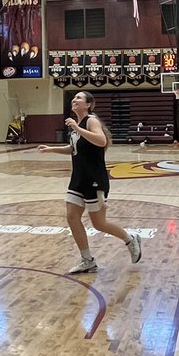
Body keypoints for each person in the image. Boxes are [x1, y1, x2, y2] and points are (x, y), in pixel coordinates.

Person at [38, 90, 142, 274]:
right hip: (78, 177)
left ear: (88, 104)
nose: (74, 100)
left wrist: (77, 129)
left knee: (99, 223)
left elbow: (101, 141)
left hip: (95, 177)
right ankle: (87, 260)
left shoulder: (90, 120)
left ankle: (130, 239)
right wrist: (51, 149)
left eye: (79, 97)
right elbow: (73, 148)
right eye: (74, 97)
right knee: (71, 216)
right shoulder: (77, 126)